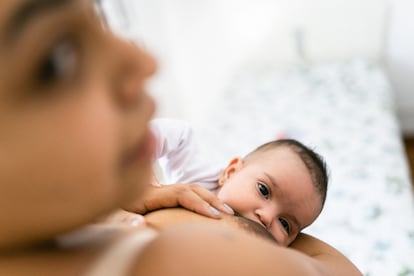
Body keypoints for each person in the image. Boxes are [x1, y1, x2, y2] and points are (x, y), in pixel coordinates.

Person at [0, 0, 361, 275]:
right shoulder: (179, 258)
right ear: (231, 171)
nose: (143, 61)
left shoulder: (79, 230)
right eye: (57, 61)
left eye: (288, 224)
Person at [127, 118, 328, 246]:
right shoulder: (199, 181)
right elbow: (180, 135)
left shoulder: (263, 256)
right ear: (230, 172)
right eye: (264, 190)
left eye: (285, 224)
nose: (267, 217)